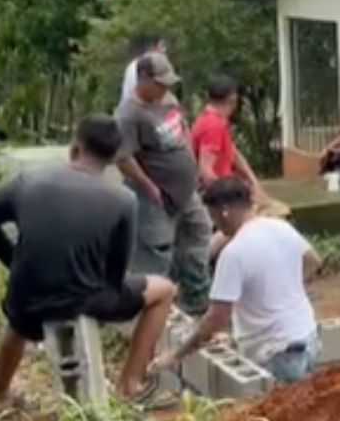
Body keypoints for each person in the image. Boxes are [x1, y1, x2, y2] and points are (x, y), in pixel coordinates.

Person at [0, 115, 177, 412]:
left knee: (16, 323)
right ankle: (129, 385)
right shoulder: (123, 200)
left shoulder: (30, 181)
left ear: (75, 147)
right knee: (164, 290)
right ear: (113, 158)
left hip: (27, 303)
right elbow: (117, 270)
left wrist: (13, 260)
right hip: (86, 300)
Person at [149, 177, 321, 383]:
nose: (215, 225)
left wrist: (175, 355)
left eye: (213, 216)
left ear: (224, 211)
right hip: (309, 339)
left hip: (276, 353)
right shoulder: (281, 227)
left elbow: (216, 318)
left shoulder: (234, 253)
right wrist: (285, 288)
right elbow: (313, 261)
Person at [115, 51, 211, 316]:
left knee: (198, 233)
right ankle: (156, 313)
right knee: (157, 252)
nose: (165, 89)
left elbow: (182, 128)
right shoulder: (128, 115)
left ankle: (194, 300)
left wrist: (192, 164)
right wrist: (150, 187)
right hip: (154, 197)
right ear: (144, 80)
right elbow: (123, 158)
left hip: (186, 191)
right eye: (160, 83)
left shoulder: (168, 100)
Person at [191, 75, 269, 204]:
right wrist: (228, 198)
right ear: (233, 99)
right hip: (218, 197)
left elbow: (234, 154)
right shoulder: (213, 125)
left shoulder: (215, 120)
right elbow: (205, 170)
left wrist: (254, 183)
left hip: (225, 186)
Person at [120, 34, 165, 107]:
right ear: (153, 47)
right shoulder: (145, 66)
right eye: (162, 46)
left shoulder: (134, 64)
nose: (163, 50)